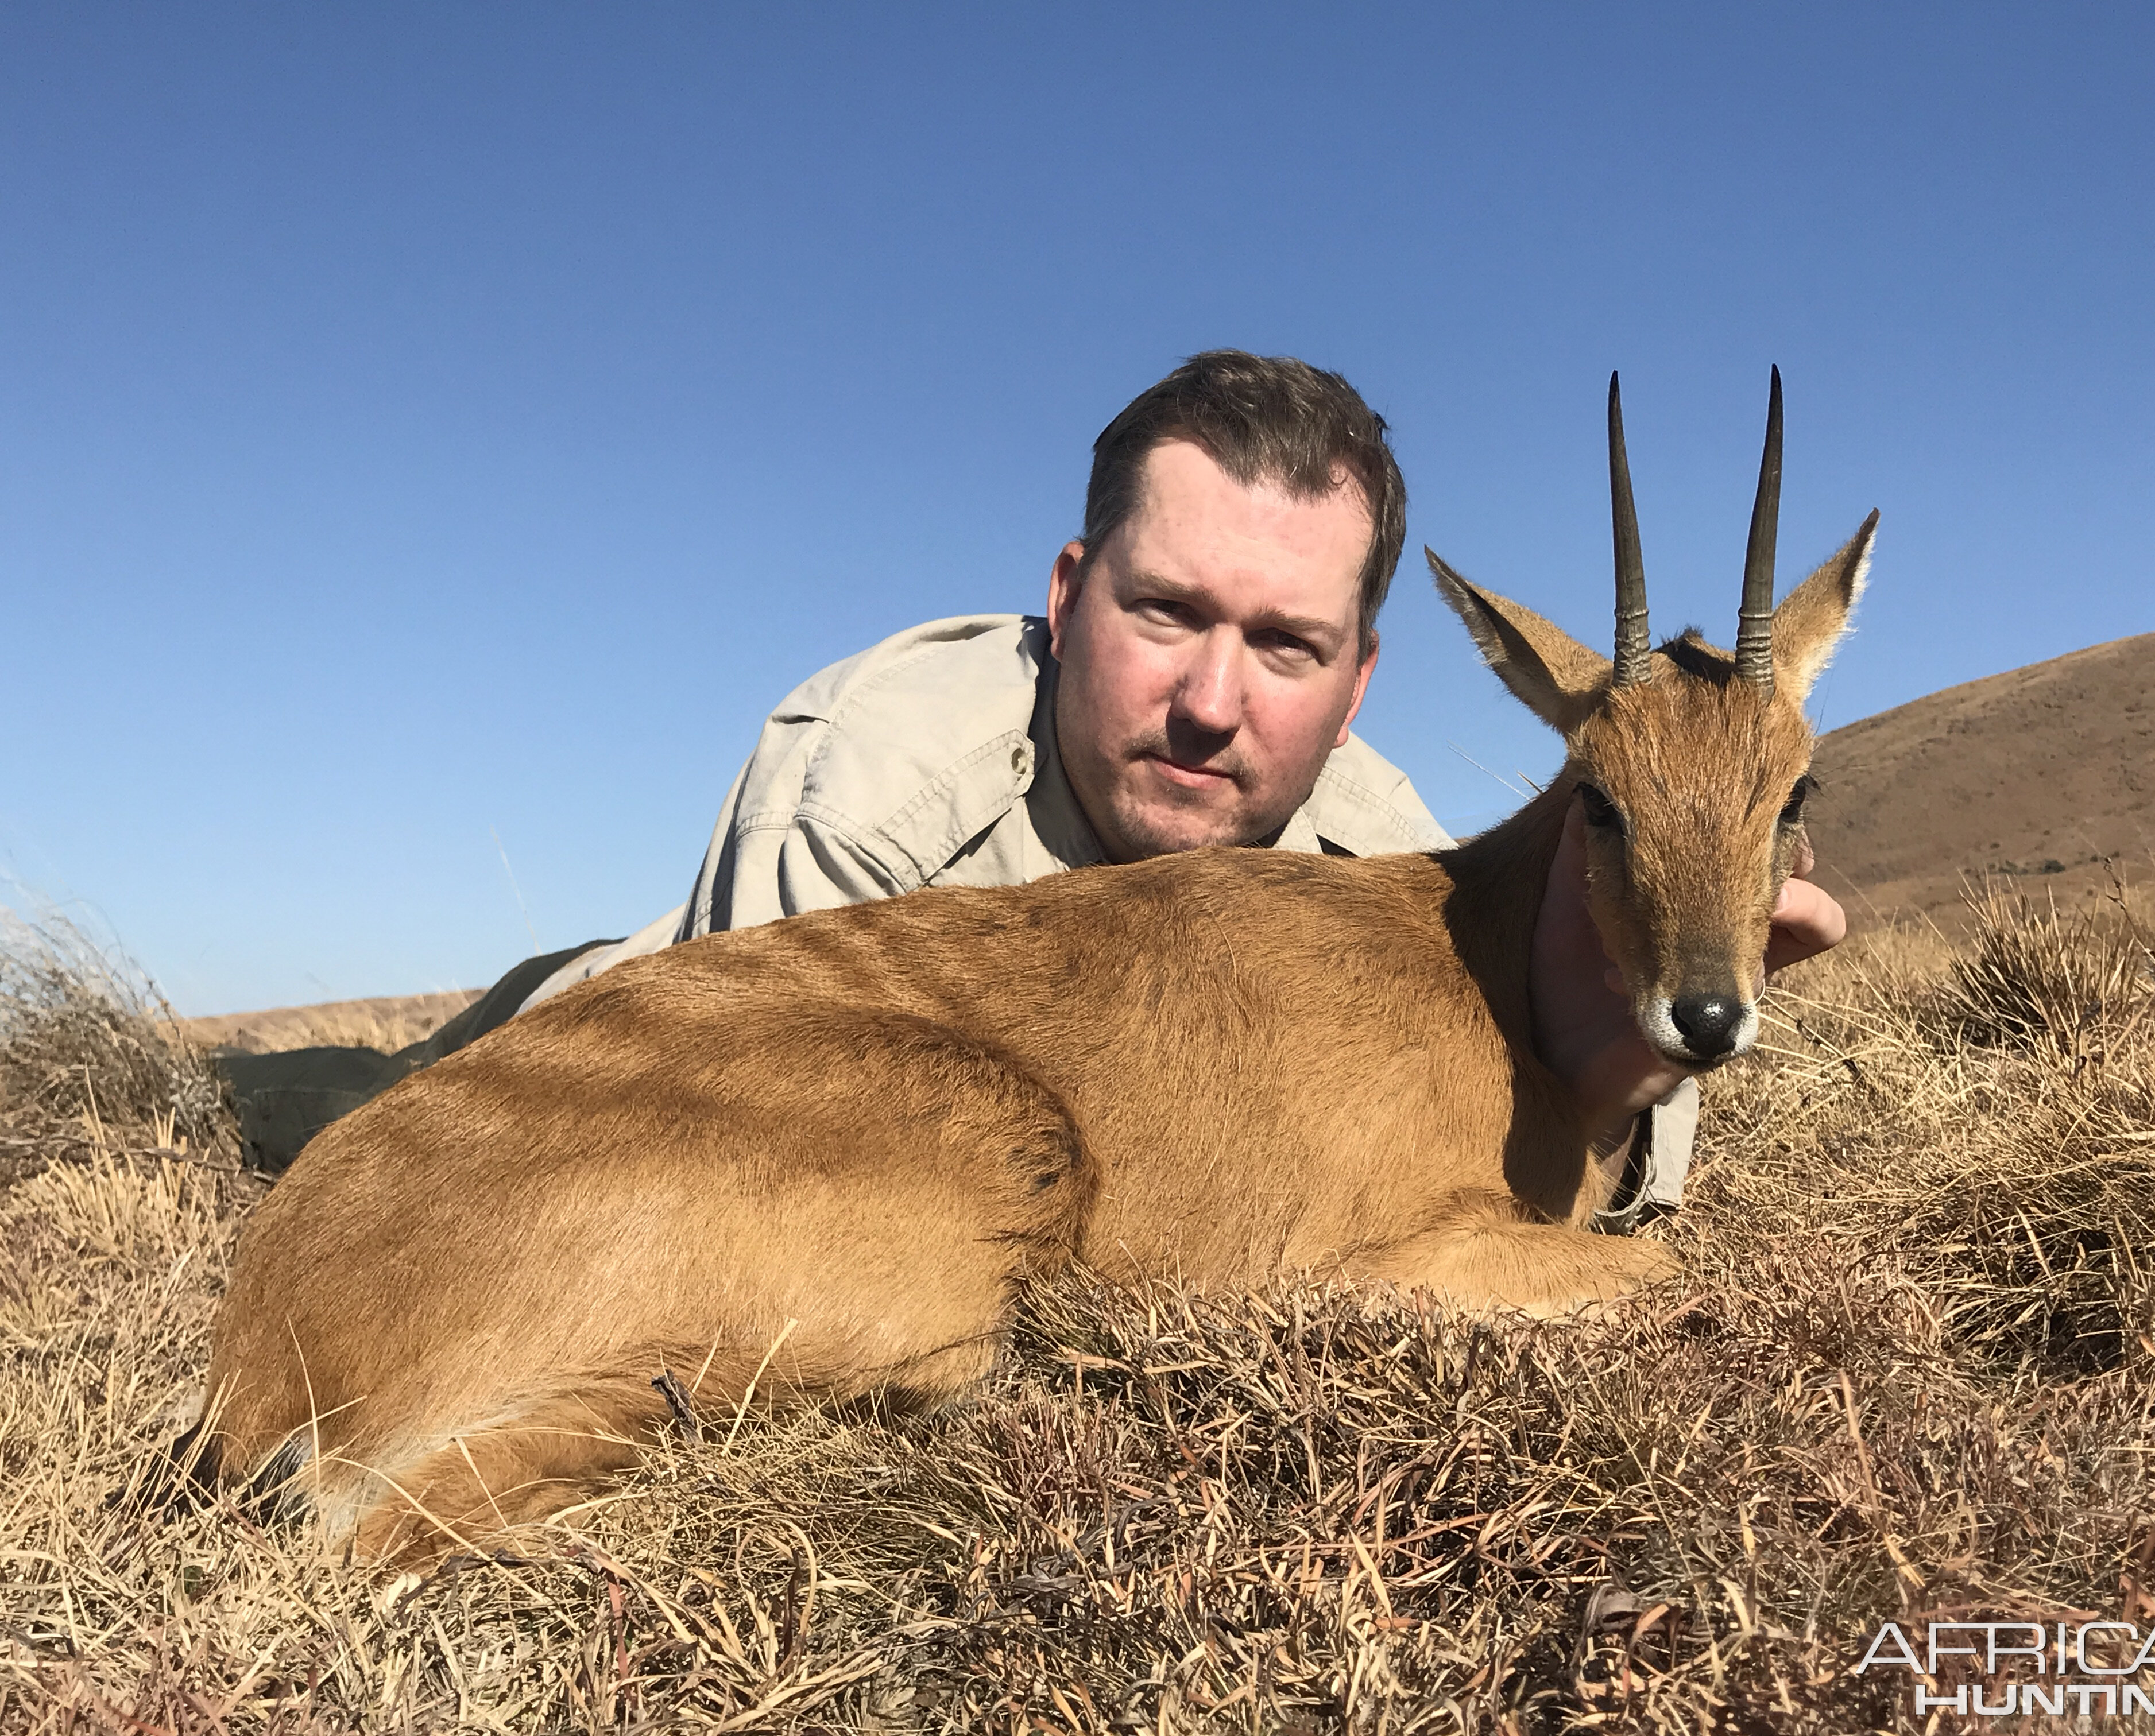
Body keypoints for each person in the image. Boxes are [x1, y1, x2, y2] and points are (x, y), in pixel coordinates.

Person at [221, 351, 1848, 1226]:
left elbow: (1576, 1040)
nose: (1213, 705)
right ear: (1068, 597)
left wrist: (1613, 1071)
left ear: (1362, 684)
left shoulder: (1393, 852)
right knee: (323, 1120)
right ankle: (258, 1088)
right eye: (1164, 613)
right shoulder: (879, 777)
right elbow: (766, 1150)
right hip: (631, 1036)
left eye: (1284, 646)